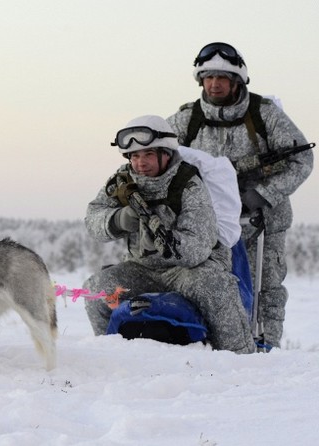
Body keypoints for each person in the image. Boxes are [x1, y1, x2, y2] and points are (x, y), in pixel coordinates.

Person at [167, 42, 313, 348]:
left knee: (267, 284)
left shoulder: (265, 114)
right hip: (209, 222)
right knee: (211, 282)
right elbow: (163, 160)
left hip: (262, 220)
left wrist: (263, 193)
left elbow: (301, 159)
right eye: (209, 77)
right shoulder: (186, 119)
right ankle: (214, 343)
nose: (215, 84)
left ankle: (265, 347)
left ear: (237, 81)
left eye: (223, 78)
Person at [83, 115, 254, 354]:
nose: (140, 163)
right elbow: (93, 219)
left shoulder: (188, 184)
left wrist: (169, 242)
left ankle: (240, 357)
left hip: (189, 270)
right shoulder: (122, 181)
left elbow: (200, 245)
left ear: (166, 154)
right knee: (96, 290)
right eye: (134, 156)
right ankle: (109, 354)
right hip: (142, 268)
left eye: (148, 155)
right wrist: (119, 219)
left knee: (216, 287)